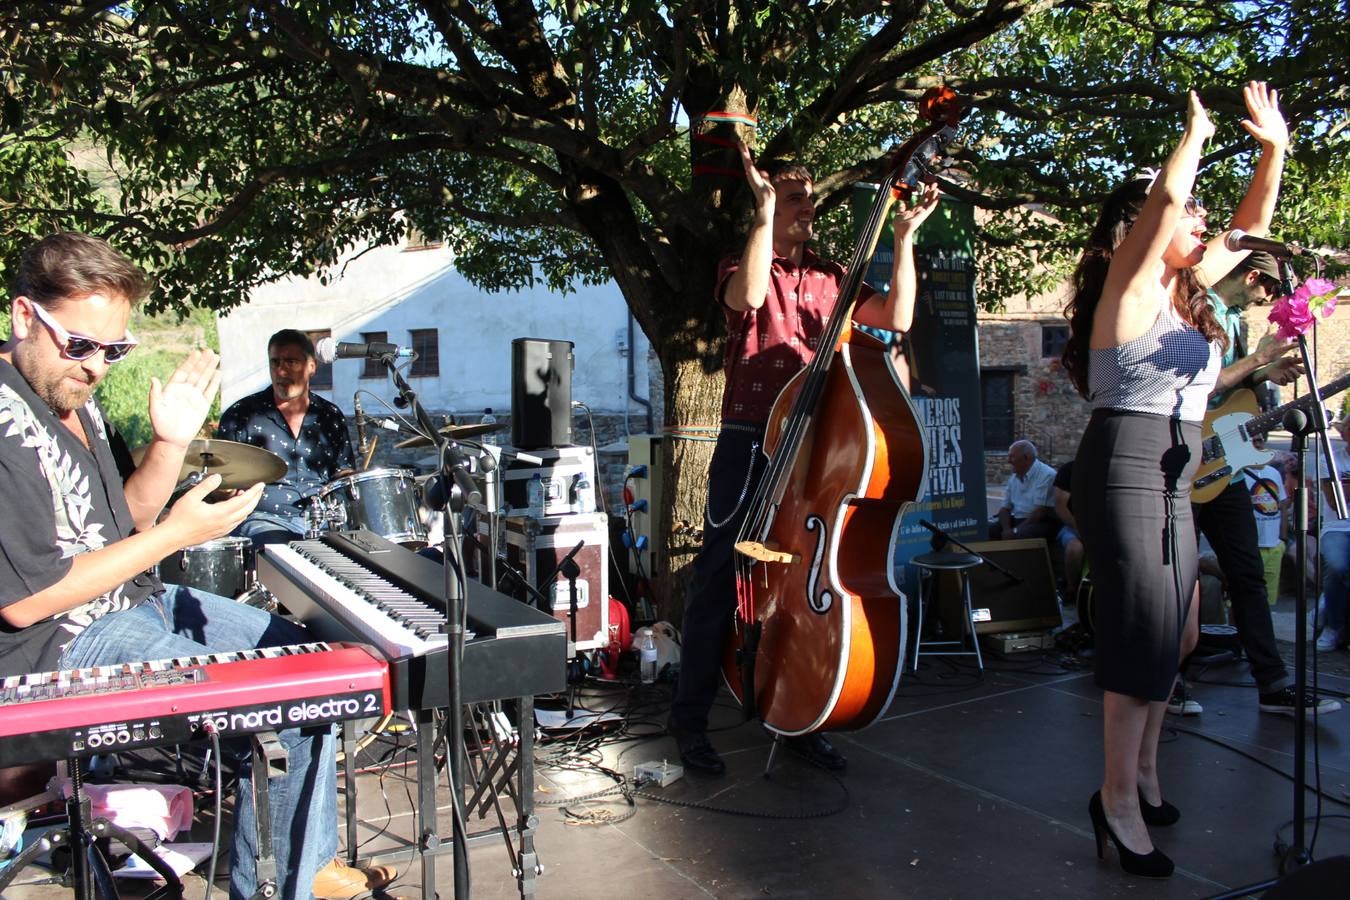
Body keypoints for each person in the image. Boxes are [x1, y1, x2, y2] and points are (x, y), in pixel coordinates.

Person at [0, 233, 393, 899]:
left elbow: (127, 517)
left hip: (129, 598)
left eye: (114, 350)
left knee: (312, 663)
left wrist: (168, 442)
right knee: (284, 710)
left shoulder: (72, 393)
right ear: (22, 316)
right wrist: (178, 534)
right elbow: (27, 600)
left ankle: (305, 863)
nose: (96, 368)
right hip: (59, 642)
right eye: (81, 344)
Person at [1061, 84, 1282, 879]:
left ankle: (1146, 772)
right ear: (1143, 229)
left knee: (1180, 635)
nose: (1202, 221)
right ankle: (1115, 800)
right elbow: (1165, 202)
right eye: (1191, 213)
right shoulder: (1129, 290)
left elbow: (1250, 228)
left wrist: (1273, 150)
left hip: (1174, 465)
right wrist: (1194, 136)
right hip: (1127, 460)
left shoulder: (1191, 299)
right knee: (1143, 636)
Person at [668, 143, 941, 777]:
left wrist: (903, 239)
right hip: (748, 438)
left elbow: (897, 318)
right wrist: (764, 213)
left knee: (797, 571)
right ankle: (689, 720)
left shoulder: (834, 276)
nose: (807, 208)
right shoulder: (744, 260)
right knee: (721, 576)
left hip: (811, 444)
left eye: (808, 199)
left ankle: (798, 711)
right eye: (794, 199)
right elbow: (746, 297)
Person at [1183, 249, 1337, 717]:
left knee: (1247, 573)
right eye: (1269, 289)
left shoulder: (1234, 320)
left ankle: (1272, 683)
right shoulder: (1196, 309)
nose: (1268, 299)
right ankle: (1166, 681)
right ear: (1252, 276)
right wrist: (1258, 360)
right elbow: (1198, 385)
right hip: (1185, 459)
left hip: (1223, 466)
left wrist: (1263, 373)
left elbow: (1230, 390)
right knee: (1178, 583)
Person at [216, 329, 355, 547]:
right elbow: (224, 485)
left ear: (312, 366)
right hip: (264, 520)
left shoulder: (330, 415)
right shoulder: (240, 415)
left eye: (291, 362)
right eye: (275, 362)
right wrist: (224, 488)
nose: (281, 371)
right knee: (281, 550)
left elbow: (342, 472)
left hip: (324, 520)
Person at [1314, 416, 1350, 651]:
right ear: (1344, 433)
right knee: (1338, 566)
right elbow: (1336, 502)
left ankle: (1325, 607)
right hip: (1337, 527)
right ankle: (1332, 626)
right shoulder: (1329, 459)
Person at [990, 440, 1058, 541]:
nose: (1008, 461)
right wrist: (1006, 529)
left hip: (1040, 522)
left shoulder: (1047, 475)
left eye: (1012, 456)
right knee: (987, 530)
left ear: (1026, 457)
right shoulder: (1014, 478)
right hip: (1018, 519)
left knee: (1019, 535)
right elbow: (1005, 509)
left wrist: (1015, 531)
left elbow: (1039, 513)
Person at [1053, 459, 1085, 602]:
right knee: (1075, 548)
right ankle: (1073, 589)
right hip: (1071, 526)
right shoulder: (1069, 470)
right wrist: (1079, 528)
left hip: (1099, 526)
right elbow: (1060, 506)